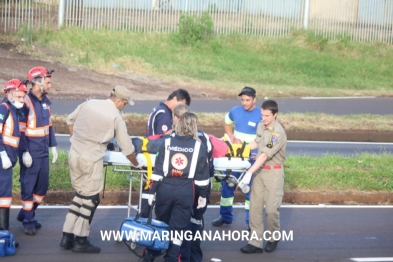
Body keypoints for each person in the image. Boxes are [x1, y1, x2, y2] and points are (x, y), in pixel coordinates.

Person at [59, 86, 142, 253]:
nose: (124, 107)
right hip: (91, 160)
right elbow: (127, 148)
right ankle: (81, 240)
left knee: (80, 195)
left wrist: (76, 141)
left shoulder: (89, 103)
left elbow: (69, 121)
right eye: (125, 104)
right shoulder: (115, 117)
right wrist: (136, 163)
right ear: (119, 100)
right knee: (90, 199)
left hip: (74, 154)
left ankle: (67, 236)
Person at [143, 112, 210, 262]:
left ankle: (149, 257)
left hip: (165, 189)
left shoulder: (166, 143)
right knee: (178, 230)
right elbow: (202, 178)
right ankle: (171, 258)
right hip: (185, 190)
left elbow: (157, 171)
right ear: (194, 126)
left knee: (161, 224)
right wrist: (203, 196)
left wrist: (152, 192)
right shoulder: (199, 145)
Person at [239, 99, 287, 254]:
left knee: (272, 210)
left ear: (275, 115)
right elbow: (257, 142)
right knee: (255, 208)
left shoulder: (277, 134)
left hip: (273, 173)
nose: (263, 118)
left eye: (267, 116)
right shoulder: (261, 125)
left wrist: (248, 173)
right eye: (262, 115)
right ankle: (255, 242)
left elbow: (265, 155)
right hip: (259, 172)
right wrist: (242, 149)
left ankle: (273, 237)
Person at [212, 86, 261, 229]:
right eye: (242, 100)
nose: (244, 103)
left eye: (247, 100)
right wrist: (231, 136)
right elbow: (226, 122)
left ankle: (250, 222)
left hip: (252, 158)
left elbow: (264, 136)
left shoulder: (260, 115)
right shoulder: (235, 110)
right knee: (227, 186)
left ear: (254, 100)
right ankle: (225, 217)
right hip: (234, 157)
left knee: (249, 190)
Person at [17, 66, 58, 236]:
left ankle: (26, 214)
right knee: (28, 186)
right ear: (37, 83)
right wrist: (25, 151)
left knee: (41, 188)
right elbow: (20, 130)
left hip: (43, 152)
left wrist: (53, 146)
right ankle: (28, 221)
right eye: (47, 82)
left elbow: (49, 126)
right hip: (31, 152)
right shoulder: (25, 102)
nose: (50, 85)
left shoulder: (46, 102)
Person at [0, 79, 28, 247]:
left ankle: (3, 232)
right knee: (3, 195)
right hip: (2, 158)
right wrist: (2, 153)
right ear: (9, 94)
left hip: (8, 159)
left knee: (4, 194)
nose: (21, 100)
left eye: (23, 97)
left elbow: (18, 135)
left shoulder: (14, 110)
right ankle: (3, 232)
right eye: (18, 96)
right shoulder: (4, 108)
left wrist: (23, 152)